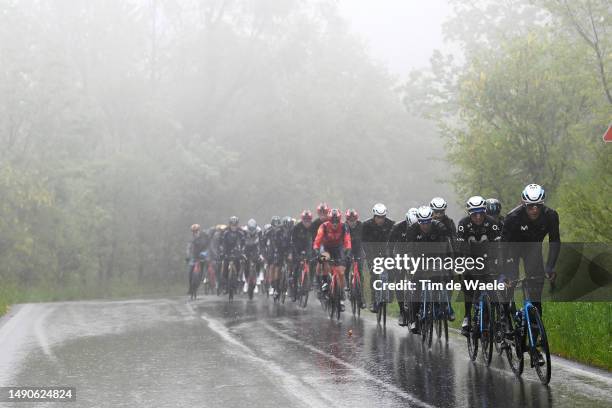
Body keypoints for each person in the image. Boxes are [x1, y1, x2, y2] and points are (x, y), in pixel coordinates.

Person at [501, 184, 560, 316]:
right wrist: (503, 271)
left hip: (532, 249)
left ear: (542, 204)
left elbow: (555, 241)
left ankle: (535, 328)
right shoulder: (512, 217)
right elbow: (503, 245)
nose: (534, 209)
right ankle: (505, 316)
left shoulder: (551, 215)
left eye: (538, 205)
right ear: (524, 204)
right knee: (510, 280)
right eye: (530, 206)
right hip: (512, 249)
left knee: (535, 292)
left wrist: (550, 266)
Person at [456, 196, 502, 335]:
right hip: (469, 257)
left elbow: (498, 246)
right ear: (469, 213)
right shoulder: (463, 224)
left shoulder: (492, 223)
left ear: (484, 212)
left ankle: (499, 321)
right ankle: (467, 316)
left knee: (492, 290)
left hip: (487, 258)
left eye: (480, 213)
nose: (477, 217)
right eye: (474, 214)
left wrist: (498, 263)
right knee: (469, 287)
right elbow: (460, 248)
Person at [405, 206, 452, 333]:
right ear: (418, 221)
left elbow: (446, 249)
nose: (425, 225)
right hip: (419, 259)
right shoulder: (412, 230)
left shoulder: (439, 227)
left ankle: (439, 306)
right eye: (422, 222)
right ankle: (414, 319)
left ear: (431, 220)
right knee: (415, 286)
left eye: (427, 222)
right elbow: (409, 250)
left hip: (436, 258)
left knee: (440, 279)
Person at [313, 208, 352, 308]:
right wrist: (317, 250)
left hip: (338, 248)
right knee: (324, 261)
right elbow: (318, 239)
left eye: (337, 221)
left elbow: (347, 240)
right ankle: (323, 283)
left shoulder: (344, 226)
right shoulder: (324, 226)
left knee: (341, 272)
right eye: (332, 221)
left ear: (339, 220)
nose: (334, 223)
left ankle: (342, 294)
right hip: (325, 247)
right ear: (329, 220)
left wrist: (348, 251)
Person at [387, 208, 418, 326]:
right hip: (400, 253)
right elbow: (389, 246)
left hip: (415, 253)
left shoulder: (421, 226)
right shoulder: (398, 227)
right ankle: (401, 312)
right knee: (399, 280)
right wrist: (390, 259)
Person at [362, 203, 395, 313]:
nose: (380, 220)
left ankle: (390, 292)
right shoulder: (366, 225)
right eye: (378, 217)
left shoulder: (391, 224)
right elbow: (364, 243)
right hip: (372, 251)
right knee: (375, 274)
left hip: (386, 250)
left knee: (392, 270)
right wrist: (369, 258)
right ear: (374, 216)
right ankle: (373, 300)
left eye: (383, 217)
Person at [291, 210, 315, 300]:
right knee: (296, 268)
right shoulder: (297, 227)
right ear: (302, 220)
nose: (307, 222)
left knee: (313, 263)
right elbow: (293, 242)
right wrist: (296, 254)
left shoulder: (313, 228)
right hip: (297, 248)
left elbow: (314, 241)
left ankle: (310, 282)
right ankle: (294, 291)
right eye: (305, 220)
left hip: (308, 247)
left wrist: (313, 252)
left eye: (308, 220)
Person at [219, 216, 246, 294]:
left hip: (237, 251)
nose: (233, 227)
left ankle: (236, 284)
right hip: (227, 251)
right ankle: (224, 286)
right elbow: (221, 243)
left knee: (238, 267)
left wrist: (242, 252)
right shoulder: (225, 232)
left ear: (237, 225)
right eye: (232, 225)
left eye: (235, 225)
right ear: (229, 224)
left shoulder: (241, 233)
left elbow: (243, 244)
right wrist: (222, 252)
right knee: (224, 268)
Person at [345, 208, 366, 309]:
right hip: (347, 249)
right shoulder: (344, 227)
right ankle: (347, 286)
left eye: (354, 220)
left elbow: (366, 239)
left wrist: (366, 252)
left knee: (360, 271)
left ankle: (362, 298)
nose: (352, 222)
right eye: (350, 220)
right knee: (346, 266)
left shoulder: (361, 226)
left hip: (358, 249)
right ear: (347, 220)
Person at [186, 224, 210, 296]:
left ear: (199, 230)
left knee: (202, 271)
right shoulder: (191, 239)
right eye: (193, 231)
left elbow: (208, 247)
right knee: (190, 271)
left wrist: (205, 254)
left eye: (196, 231)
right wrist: (188, 256)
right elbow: (188, 248)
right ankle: (190, 288)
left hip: (202, 256)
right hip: (194, 256)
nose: (195, 233)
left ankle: (205, 281)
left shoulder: (204, 237)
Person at [243, 218, 263, 295]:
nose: (251, 231)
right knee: (245, 263)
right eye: (250, 229)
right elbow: (241, 241)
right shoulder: (244, 230)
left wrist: (261, 253)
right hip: (247, 246)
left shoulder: (259, 230)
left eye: (253, 229)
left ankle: (257, 277)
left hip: (255, 246)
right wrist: (242, 252)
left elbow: (261, 243)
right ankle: (246, 281)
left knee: (258, 260)